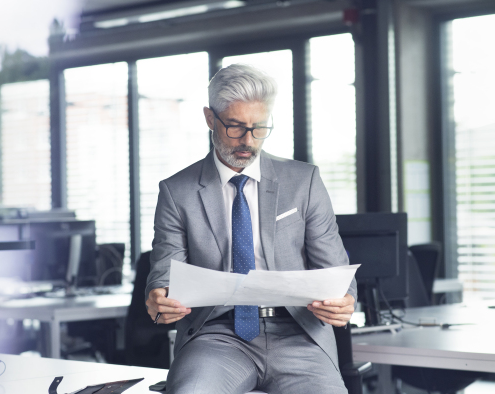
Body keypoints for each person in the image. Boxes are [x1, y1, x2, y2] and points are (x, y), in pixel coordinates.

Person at [145, 63, 357, 394]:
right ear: (210, 118)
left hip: (298, 333)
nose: (248, 141)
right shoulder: (177, 191)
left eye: (259, 128)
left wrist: (344, 299)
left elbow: (335, 267)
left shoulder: (304, 182)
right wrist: (160, 297)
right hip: (216, 335)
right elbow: (164, 273)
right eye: (235, 127)